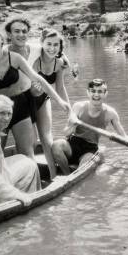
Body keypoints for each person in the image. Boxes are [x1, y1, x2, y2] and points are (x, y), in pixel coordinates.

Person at [0, 23, 74, 163]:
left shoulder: (14, 58)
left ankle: (35, 184)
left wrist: (60, 100)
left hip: (20, 107)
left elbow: (38, 78)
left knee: (28, 154)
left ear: (1, 38)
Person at [52, 79, 128, 174]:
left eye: (100, 92)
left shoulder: (111, 113)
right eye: (93, 91)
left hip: (90, 149)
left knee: (83, 166)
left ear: (105, 94)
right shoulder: (78, 107)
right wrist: (73, 125)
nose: (96, 95)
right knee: (56, 145)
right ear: (88, 93)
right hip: (73, 144)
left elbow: (123, 136)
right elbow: (66, 133)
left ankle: (76, 175)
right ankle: (67, 175)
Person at [30, 29, 76, 179]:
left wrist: (69, 111)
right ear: (42, 44)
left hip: (43, 100)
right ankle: (32, 177)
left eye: (56, 44)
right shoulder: (35, 61)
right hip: (27, 101)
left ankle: (53, 175)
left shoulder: (59, 63)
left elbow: (60, 87)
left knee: (47, 137)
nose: (52, 48)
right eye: (48, 44)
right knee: (31, 140)